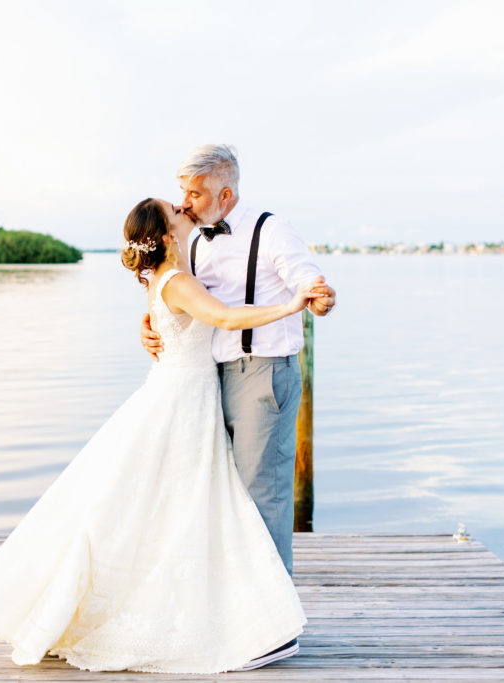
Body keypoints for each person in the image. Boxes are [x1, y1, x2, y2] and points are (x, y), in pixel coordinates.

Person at [0, 197, 325, 673]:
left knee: (169, 503)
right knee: (185, 501)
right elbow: (228, 319)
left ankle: (245, 614)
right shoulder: (180, 281)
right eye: (175, 210)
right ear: (168, 234)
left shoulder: (163, 278)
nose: (183, 207)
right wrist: (292, 304)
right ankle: (244, 619)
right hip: (183, 400)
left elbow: (177, 318)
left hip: (180, 391)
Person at [140, 144, 336, 665]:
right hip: (207, 380)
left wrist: (317, 294)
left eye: (195, 192)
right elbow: (185, 300)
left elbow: (303, 275)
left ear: (225, 194)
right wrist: (151, 324)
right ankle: (237, 614)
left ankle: (276, 629)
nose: (184, 202)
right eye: (182, 190)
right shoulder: (192, 241)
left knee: (261, 495)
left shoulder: (270, 229)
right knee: (222, 496)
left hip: (262, 376)